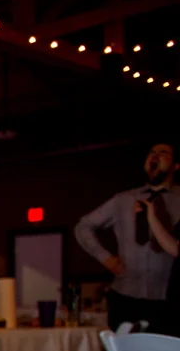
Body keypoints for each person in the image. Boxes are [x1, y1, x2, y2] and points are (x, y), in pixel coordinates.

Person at [75, 142, 180, 332]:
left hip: (167, 300)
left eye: (163, 153)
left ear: (176, 166)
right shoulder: (123, 200)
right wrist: (105, 258)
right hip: (125, 297)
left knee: (165, 350)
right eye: (151, 152)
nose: (155, 156)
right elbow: (83, 226)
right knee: (123, 350)